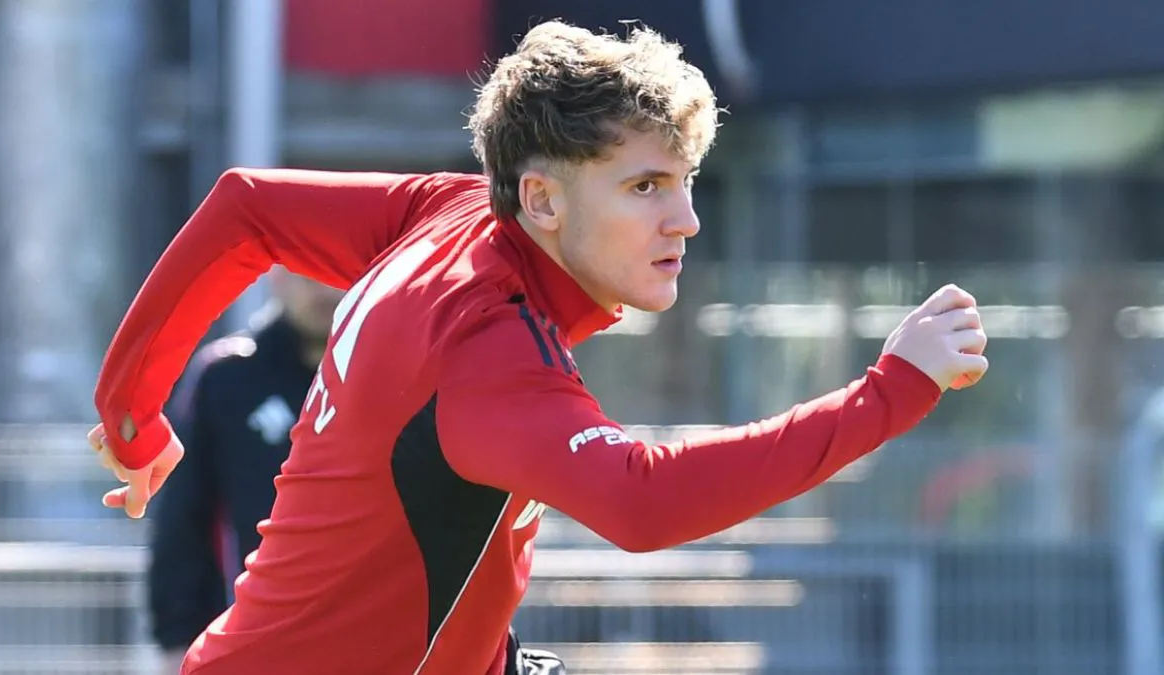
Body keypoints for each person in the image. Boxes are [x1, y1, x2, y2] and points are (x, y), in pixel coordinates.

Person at [86, 20, 988, 675]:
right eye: (644, 186)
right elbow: (645, 502)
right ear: (544, 202)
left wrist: (131, 416)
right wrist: (890, 391)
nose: (686, 219)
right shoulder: (491, 349)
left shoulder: (447, 216)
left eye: (685, 182)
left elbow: (246, 209)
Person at [146, 269, 343, 674]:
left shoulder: (383, 373)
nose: (325, 290)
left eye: (337, 273)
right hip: (247, 641)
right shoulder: (226, 377)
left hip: (366, 637)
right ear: (276, 278)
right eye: (310, 274)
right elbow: (182, 516)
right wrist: (176, 638)